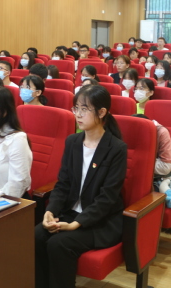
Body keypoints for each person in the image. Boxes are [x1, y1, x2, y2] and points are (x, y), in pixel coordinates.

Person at [34, 85, 127, 288]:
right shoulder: (73, 142)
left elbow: (107, 198)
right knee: (36, 235)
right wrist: (50, 211)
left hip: (101, 221)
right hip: (70, 212)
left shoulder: (116, 148)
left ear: (101, 112)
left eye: (84, 109)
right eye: (76, 108)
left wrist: (77, 223)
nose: (78, 114)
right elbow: (63, 183)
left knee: (59, 244)